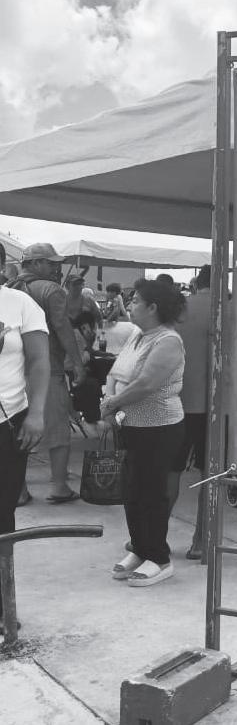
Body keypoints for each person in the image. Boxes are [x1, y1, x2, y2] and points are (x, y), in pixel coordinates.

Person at [101, 279, 185, 586]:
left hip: (159, 428)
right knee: (132, 492)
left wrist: (113, 403)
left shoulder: (168, 341)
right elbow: (116, 372)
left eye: (136, 301)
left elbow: (147, 383)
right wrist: (110, 399)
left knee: (152, 493)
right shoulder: (138, 335)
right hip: (131, 425)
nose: (130, 305)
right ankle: (139, 548)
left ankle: (159, 558)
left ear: (153, 307)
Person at [9, 243, 85, 503]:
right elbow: (62, 327)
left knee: (17, 431)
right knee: (58, 429)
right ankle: (60, 487)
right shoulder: (52, 290)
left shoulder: (9, 288)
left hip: (13, 372)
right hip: (46, 369)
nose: (56, 268)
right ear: (35, 263)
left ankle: (19, 490)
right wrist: (77, 363)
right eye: (51, 263)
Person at [0, 242, 50, 633]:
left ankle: (3, 605)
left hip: (9, 422)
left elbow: (39, 361)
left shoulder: (20, 304)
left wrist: (36, 413)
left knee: (2, 514)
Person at [174, 265, 211, 560]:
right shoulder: (234, 310)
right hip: (217, 406)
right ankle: (201, 540)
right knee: (210, 475)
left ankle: (152, 537)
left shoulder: (180, 309)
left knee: (169, 471)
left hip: (178, 402)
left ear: (197, 282)